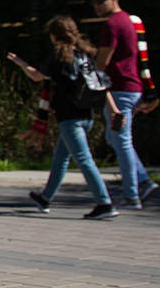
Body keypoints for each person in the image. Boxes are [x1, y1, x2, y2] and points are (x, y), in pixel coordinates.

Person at [9, 15, 118, 220]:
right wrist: (114, 111)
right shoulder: (85, 56)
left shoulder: (58, 56)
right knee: (61, 158)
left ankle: (104, 203)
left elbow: (36, 76)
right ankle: (45, 197)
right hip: (87, 115)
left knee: (84, 160)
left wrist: (20, 62)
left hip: (69, 117)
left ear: (54, 35)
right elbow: (101, 85)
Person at [91, 0, 158, 208]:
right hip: (130, 88)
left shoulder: (112, 24)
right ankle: (143, 181)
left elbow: (103, 61)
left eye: (101, 1)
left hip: (119, 89)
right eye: (94, 2)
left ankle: (132, 194)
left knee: (121, 141)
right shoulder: (129, 21)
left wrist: (94, 77)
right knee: (115, 138)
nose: (97, 6)